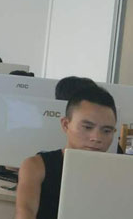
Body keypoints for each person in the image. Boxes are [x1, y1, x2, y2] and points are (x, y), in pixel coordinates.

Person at [15, 85, 117, 219]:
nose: (97, 138)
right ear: (65, 124)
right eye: (87, 127)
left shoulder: (120, 173)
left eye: (107, 131)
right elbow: (25, 213)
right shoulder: (36, 166)